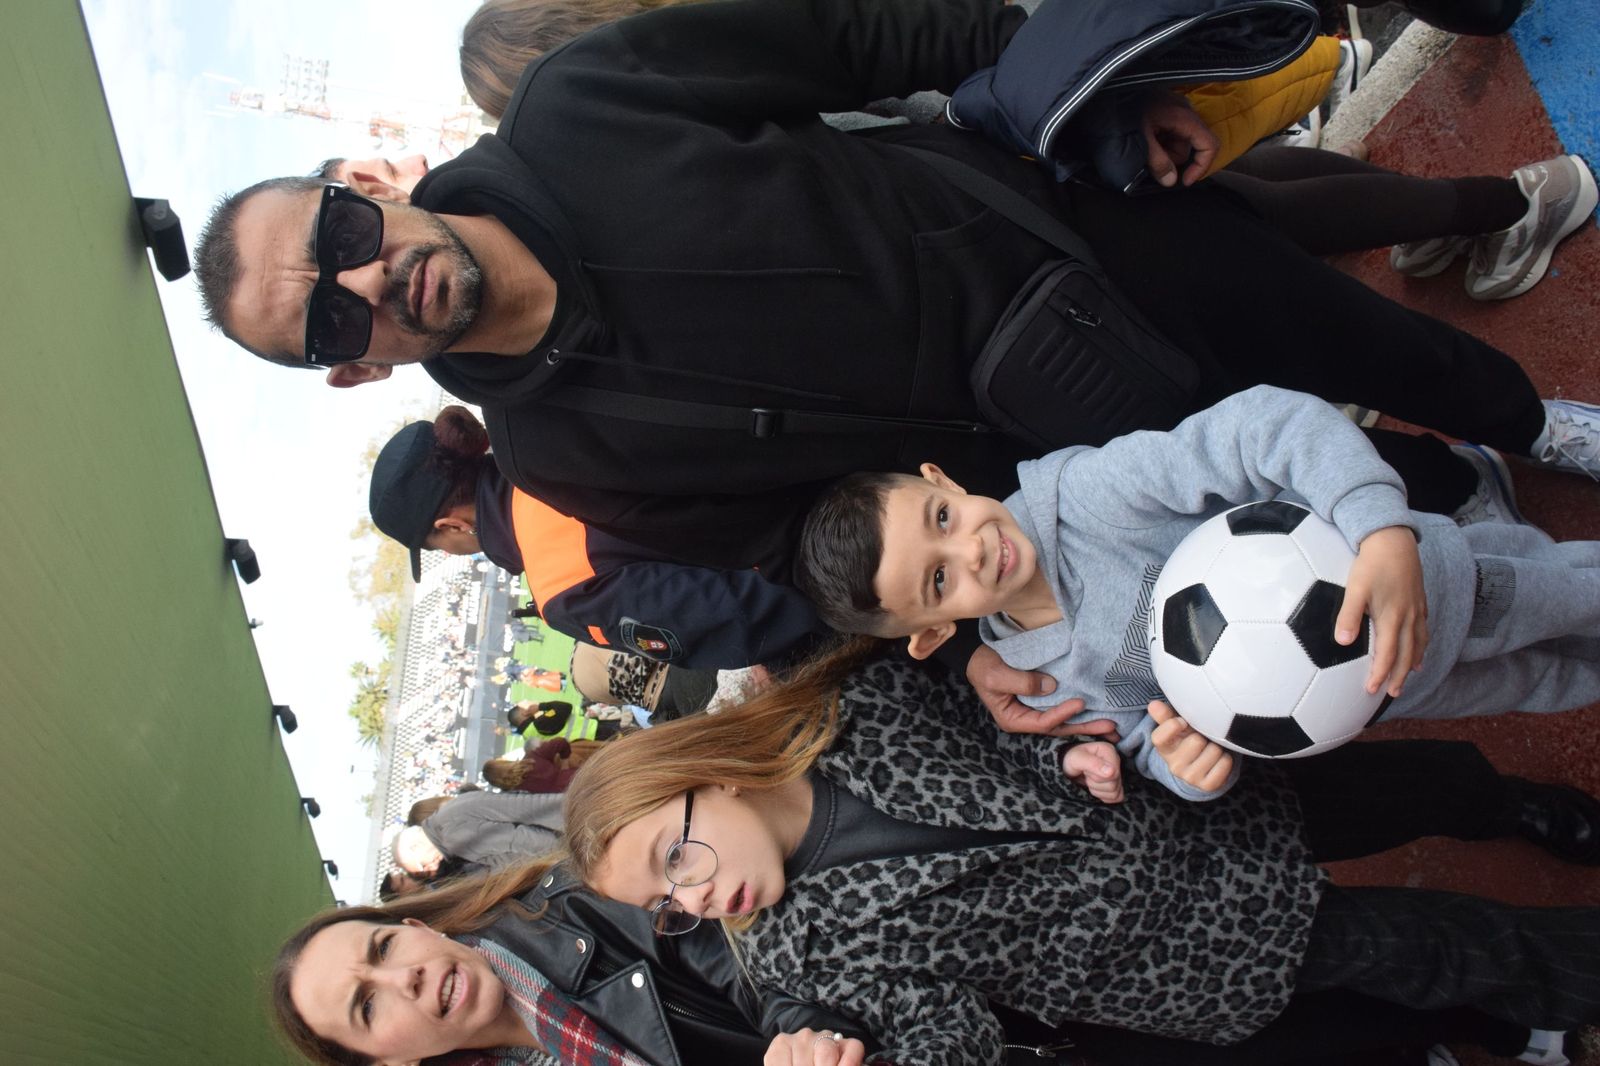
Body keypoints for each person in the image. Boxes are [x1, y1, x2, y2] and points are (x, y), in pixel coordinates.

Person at [195, 0, 1600, 656]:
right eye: (326, 320)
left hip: (1079, 236)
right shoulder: (571, 458)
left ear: (359, 189)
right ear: (356, 370)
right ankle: (1472, 512)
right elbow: (805, 553)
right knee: (1315, 494)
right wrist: (955, 598)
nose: (364, 284)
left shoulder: (583, 109)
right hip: (1055, 449)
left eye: (337, 244)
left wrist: (1087, 100)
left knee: (1362, 345)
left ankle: (1547, 427)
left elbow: (865, 42)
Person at [563, 645, 1600, 1065]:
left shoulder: (851, 706)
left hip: (1197, 799)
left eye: (674, 851)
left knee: (1414, 786)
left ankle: (1513, 802)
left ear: (701, 771)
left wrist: (1080, 745)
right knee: (1447, 950)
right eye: (669, 900)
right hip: (1202, 951)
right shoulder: (804, 963)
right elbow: (954, 1036)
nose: (699, 894)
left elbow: (1015, 696)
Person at [795, 385, 1600, 802]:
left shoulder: (1093, 495)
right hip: (1384, 693)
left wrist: (1378, 525)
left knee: (1574, 594)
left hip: (1439, 579)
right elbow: (1147, 744)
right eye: (940, 581)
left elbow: (1263, 427)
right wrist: (1190, 770)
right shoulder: (1048, 683)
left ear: (943, 479)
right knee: (1544, 684)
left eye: (943, 516)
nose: (971, 547)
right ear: (934, 636)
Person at [366, 406, 824, 669]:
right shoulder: (550, 424)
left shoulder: (559, 585)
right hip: (834, 448)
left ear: (450, 525)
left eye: (437, 546)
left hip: (843, 559)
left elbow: (739, 623)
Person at [393, 789, 564, 878]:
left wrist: (571, 857)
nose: (430, 869)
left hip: (570, 832)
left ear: (418, 847)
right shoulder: (447, 819)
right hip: (564, 817)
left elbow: (526, 840)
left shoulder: (453, 837)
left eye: (423, 867)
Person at [482, 736, 577, 793]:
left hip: (570, 800)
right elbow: (560, 742)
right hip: (575, 780)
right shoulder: (531, 758)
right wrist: (565, 764)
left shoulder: (516, 795)